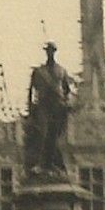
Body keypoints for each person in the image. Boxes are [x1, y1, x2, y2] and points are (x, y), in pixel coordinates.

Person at [25, 41, 72, 178]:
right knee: (43, 134)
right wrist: (30, 110)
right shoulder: (39, 72)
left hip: (58, 106)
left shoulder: (61, 71)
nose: (49, 53)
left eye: (51, 50)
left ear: (54, 52)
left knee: (54, 136)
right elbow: (31, 91)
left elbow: (67, 90)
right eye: (47, 50)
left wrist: (67, 103)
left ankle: (52, 164)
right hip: (43, 106)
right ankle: (44, 164)